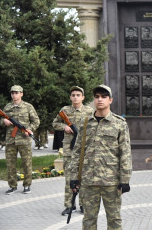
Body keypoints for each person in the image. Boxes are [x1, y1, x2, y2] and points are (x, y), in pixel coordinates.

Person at [69, 84, 132, 229]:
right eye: (97, 97)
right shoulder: (85, 123)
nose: (100, 100)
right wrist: (74, 177)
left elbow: (125, 153)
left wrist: (125, 179)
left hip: (111, 182)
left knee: (114, 220)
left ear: (110, 100)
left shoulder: (119, 124)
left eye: (104, 97)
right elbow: (77, 152)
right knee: (89, 219)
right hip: (89, 181)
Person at [52, 86, 94, 215]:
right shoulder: (65, 110)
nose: (75, 97)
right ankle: (70, 205)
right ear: (70, 97)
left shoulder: (89, 111)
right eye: (73, 95)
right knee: (69, 177)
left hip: (84, 149)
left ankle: (83, 204)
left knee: (83, 177)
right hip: (69, 148)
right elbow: (55, 123)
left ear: (83, 97)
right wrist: (64, 126)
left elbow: (95, 126)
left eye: (78, 95)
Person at [0, 85, 40, 195]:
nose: (14, 95)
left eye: (16, 93)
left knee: (27, 164)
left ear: (21, 94)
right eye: (12, 93)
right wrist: (4, 121)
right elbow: (0, 121)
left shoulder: (28, 107)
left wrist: (29, 129)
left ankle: (27, 185)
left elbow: (36, 121)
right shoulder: (7, 107)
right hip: (10, 140)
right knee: (10, 164)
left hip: (24, 140)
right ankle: (12, 186)